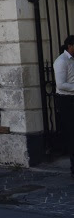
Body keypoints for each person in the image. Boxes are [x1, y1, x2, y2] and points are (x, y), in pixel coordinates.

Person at [55, 35, 74, 178]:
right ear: (70, 45)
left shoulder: (72, 60)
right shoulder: (61, 61)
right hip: (67, 101)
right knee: (71, 134)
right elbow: (61, 84)